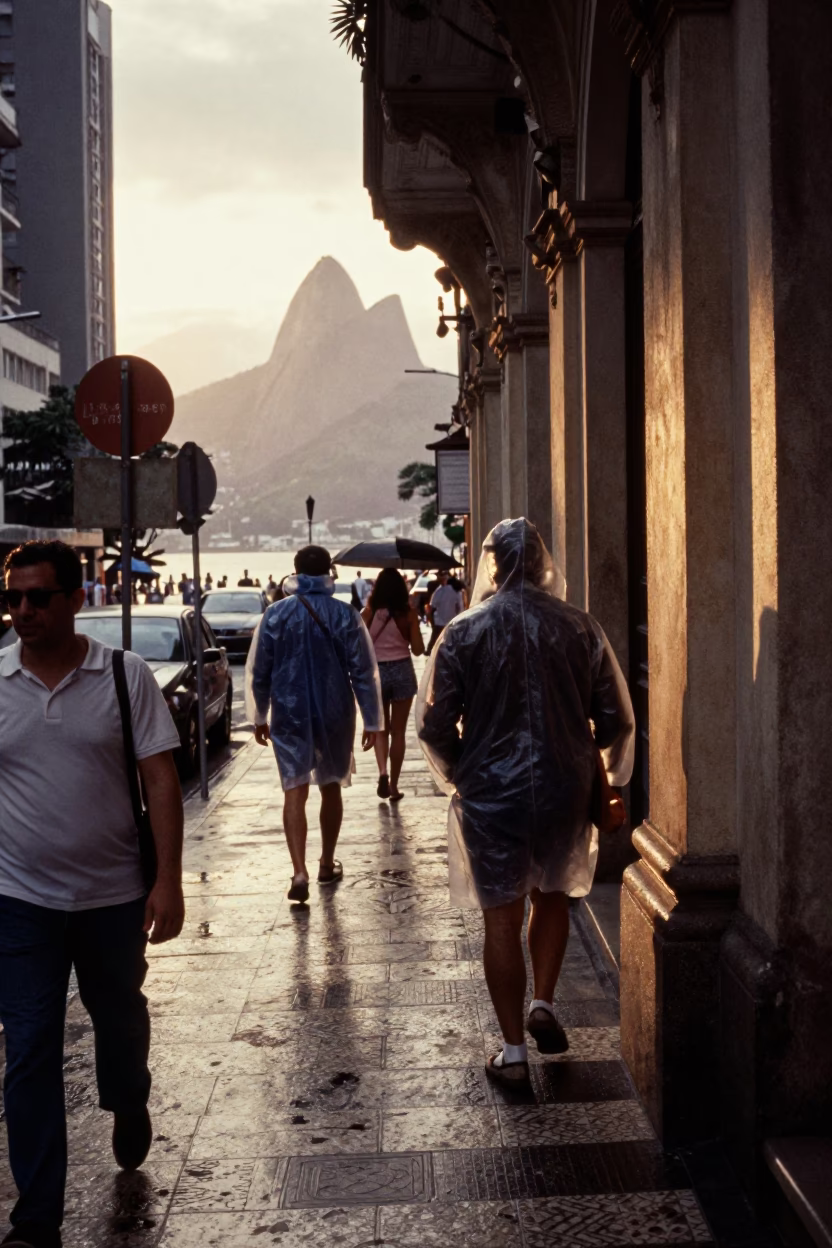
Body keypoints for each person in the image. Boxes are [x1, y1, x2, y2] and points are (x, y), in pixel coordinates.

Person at [0, 540, 185, 1248]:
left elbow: (160, 780)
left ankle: (128, 1097)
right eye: (11, 598)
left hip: (112, 896)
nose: (22, 612)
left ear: (76, 600)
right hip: (19, 902)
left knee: (119, 1015)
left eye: (37, 598)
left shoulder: (123, 675)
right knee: (31, 1046)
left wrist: (167, 881)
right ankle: (36, 1216)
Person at [417, 518, 634, 1087]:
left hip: (492, 797)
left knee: (501, 918)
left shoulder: (463, 633)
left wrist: (467, 771)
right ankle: (544, 1001)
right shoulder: (580, 628)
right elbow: (613, 717)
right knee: (554, 895)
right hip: (564, 788)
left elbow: (435, 724)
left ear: (491, 564)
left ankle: (513, 1053)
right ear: (543, 562)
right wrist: (603, 773)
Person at [248, 545, 382, 903]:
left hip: (288, 713)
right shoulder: (345, 614)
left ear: (294, 571)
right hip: (336, 711)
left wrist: (259, 715)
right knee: (331, 785)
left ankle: (299, 871)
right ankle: (325, 862)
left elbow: (259, 672)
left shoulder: (275, 616)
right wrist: (373, 719)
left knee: (294, 788)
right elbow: (364, 672)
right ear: (329, 573)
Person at [361, 569, 425, 801]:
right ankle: (394, 787)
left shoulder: (367, 613)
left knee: (381, 729)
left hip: (376, 674)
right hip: (402, 671)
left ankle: (383, 773)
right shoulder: (408, 614)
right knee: (398, 733)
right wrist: (412, 626)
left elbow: (359, 649)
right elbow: (418, 650)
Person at [425, 568, 464, 655]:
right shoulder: (457, 592)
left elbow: (432, 607)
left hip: (439, 622)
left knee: (436, 643)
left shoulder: (439, 591)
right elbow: (460, 608)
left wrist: (431, 620)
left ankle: (430, 652)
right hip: (452, 623)